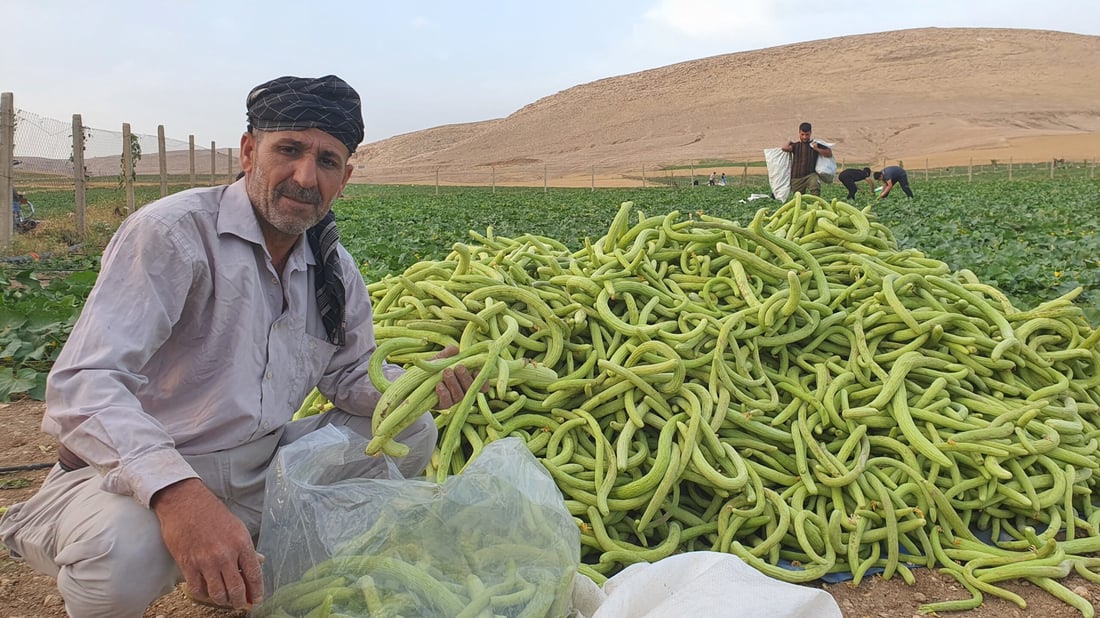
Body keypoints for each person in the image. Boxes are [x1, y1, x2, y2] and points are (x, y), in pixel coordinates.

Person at [0, 75, 481, 617]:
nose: (304, 177)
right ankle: (171, 541)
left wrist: (415, 385)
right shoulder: (174, 234)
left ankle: (270, 568)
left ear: (343, 179)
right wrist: (179, 495)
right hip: (137, 476)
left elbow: (348, 377)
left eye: (326, 161)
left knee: (410, 428)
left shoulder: (332, 267)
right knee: (124, 552)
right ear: (250, 151)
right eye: (290, 150)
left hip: (259, 467)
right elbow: (84, 383)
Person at [780, 121, 832, 196]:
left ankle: (816, 206)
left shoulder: (814, 144)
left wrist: (817, 149)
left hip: (810, 175)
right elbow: (784, 148)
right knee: (798, 198)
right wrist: (789, 141)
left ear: (810, 133)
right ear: (799, 133)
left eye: (807, 134)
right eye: (802, 134)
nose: (804, 137)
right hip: (797, 177)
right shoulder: (796, 145)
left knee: (815, 188)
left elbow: (829, 153)